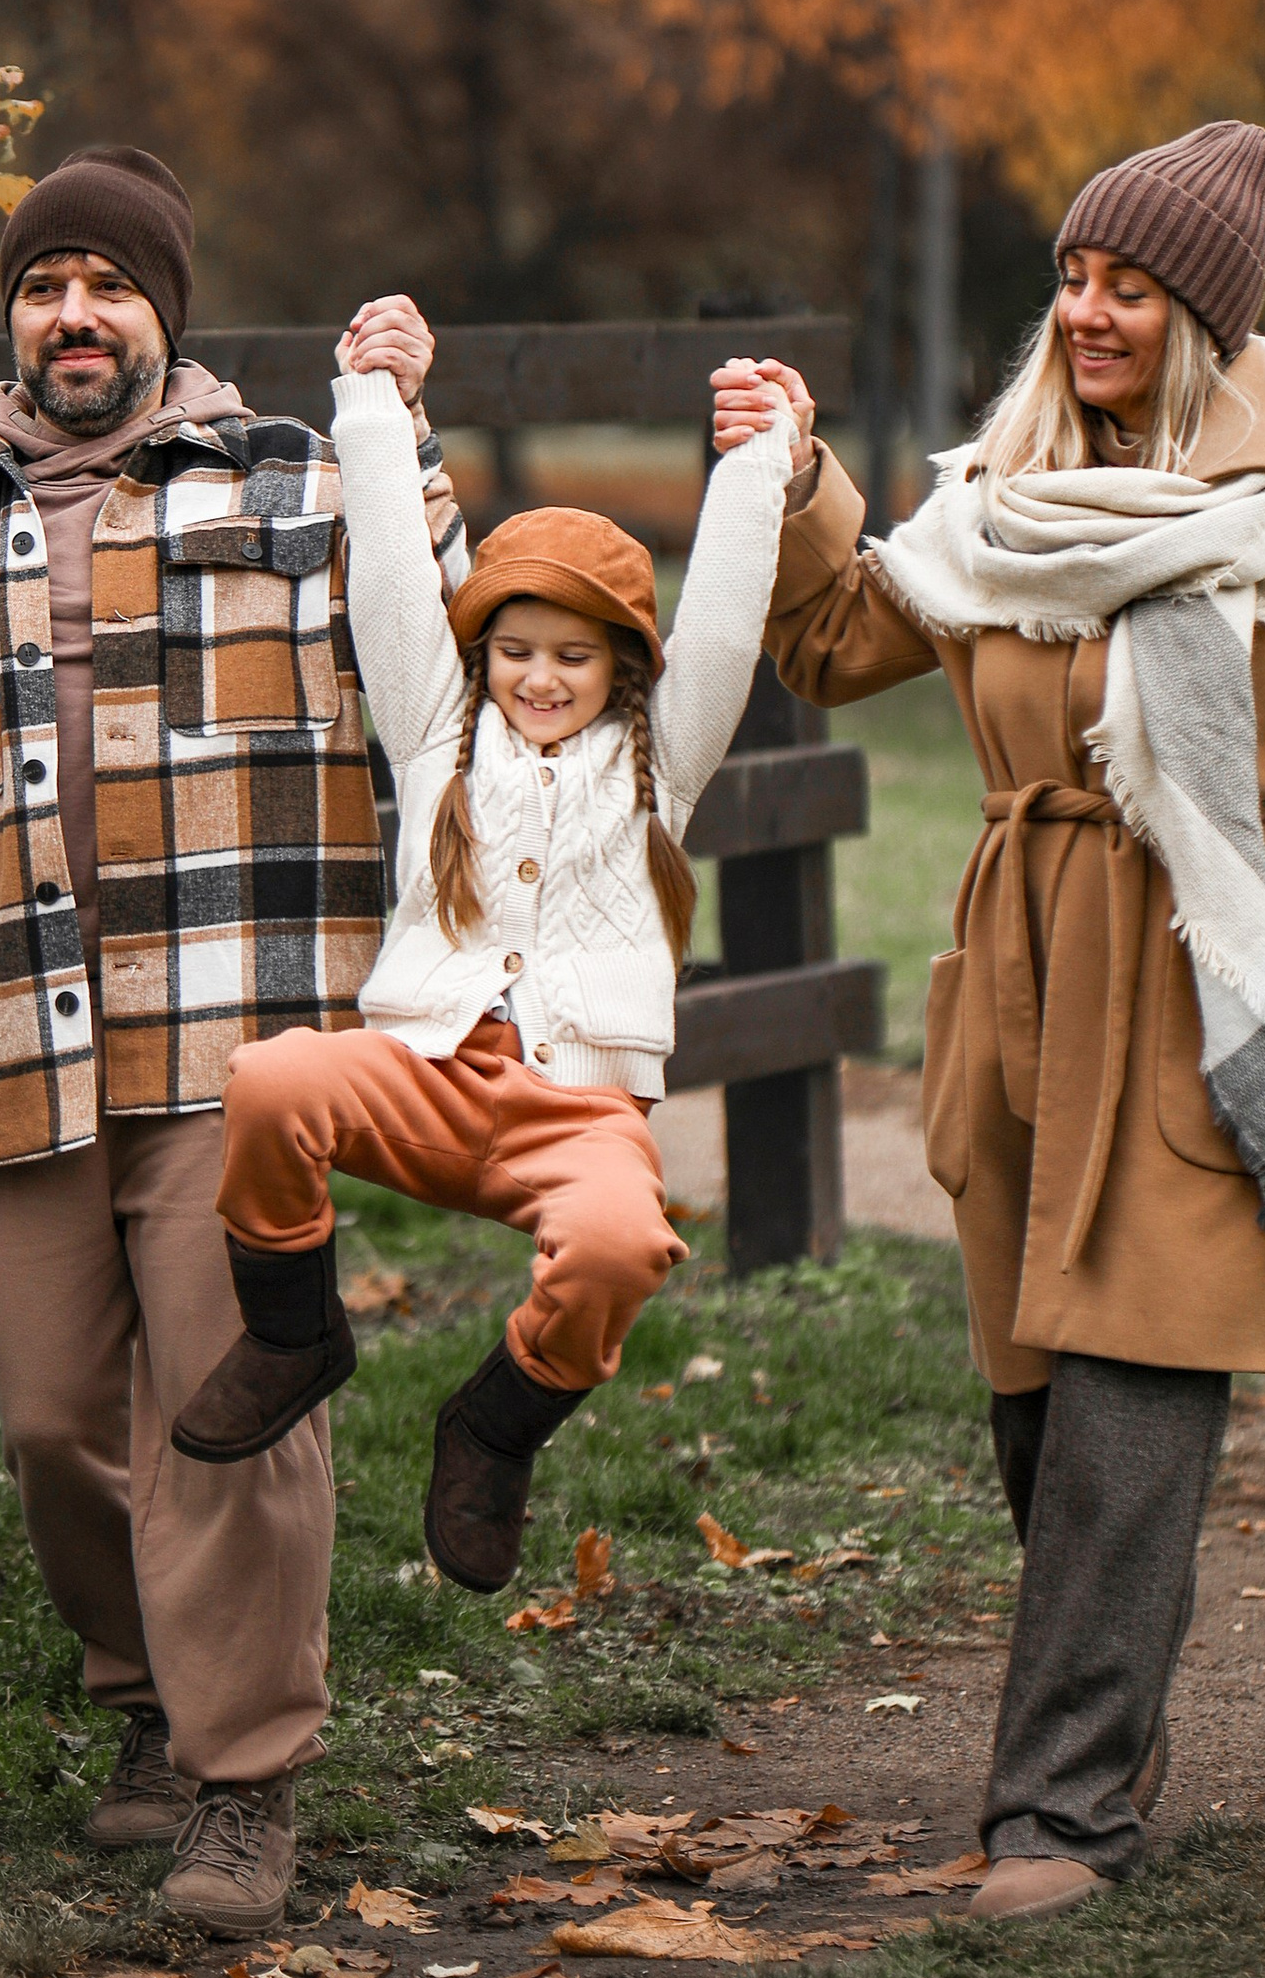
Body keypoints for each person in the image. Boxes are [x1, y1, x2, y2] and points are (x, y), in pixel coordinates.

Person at [710, 118, 1265, 1924]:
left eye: (1130, 286)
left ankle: (1064, 1816)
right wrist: (797, 487)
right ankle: (1109, 1723)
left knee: (1128, 1400)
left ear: (1197, 315)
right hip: (1023, 984)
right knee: (1038, 1411)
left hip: (1206, 981)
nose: (1090, 311)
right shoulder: (999, 504)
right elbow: (843, 640)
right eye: (1076, 279)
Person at [0, 149, 465, 1940]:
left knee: (232, 1413)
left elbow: (444, 655)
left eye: (111, 285)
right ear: (12, 318)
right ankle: (147, 1708)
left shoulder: (302, 483)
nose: (75, 315)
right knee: (62, 1424)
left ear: (169, 315)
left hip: (246, 1042)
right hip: (2, 1036)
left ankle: (244, 1790)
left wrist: (394, 427)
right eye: (45, 284)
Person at [173, 309, 799, 1590]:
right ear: (482, 654)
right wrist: (372, 401)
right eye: (515, 651)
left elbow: (727, 623)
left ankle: (497, 1423)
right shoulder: (438, 732)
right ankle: (293, 1337)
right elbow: (399, 576)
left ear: (623, 664)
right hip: (425, 1076)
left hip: (574, 1111)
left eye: (573, 656)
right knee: (272, 1084)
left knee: (625, 1246)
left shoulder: (659, 763)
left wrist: (758, 460)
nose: (540, 678)